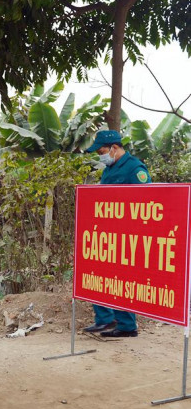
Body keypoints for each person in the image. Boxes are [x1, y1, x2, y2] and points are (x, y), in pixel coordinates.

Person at [83, 129, 152, 338]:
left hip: (127, 236)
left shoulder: (135, 168)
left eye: (102, 151)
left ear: (114, 148)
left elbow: (149, 201)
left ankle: (127, 326)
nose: (100, 156)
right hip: (107, 235)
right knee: (98, 273)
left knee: (122, 278)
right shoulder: (109, 169)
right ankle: (105, 319)